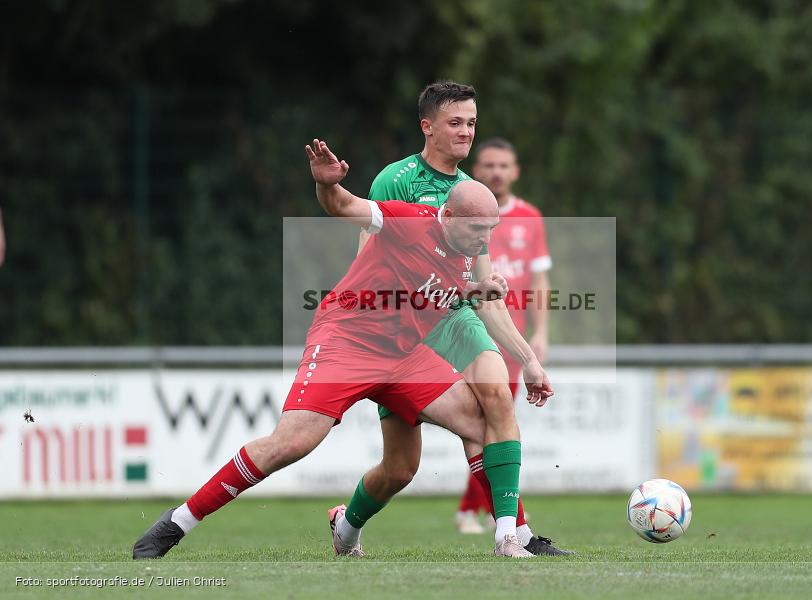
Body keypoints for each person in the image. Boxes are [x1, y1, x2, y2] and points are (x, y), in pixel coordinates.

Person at [132, 139, 537, 559]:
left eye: (491, 230)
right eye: (477, 229)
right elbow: (345, 207)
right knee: (291, 444)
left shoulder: (465, 250)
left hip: (402, 355)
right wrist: (328, 186)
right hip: (347, 340)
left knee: (436, 448)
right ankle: (177, 522)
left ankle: (500, 536)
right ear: (447, 215)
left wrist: (474, 290)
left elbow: (428, 286)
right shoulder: (409, 218)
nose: (484, 239)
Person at [336, 81, 571, 555]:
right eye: (456, 123)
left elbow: (482, 292)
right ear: (428, 127)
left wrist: (528, 359)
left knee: (496, 402)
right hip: (404, 329)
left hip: (456, 318)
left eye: (472, 124)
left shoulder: (473, 193)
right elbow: (369, 269)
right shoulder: (395, 181)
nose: (467, 133)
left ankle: (512, 535)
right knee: (400, 468)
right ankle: (347, 523)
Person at [455, 137, 553, 527]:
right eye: (489, 165)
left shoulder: (530, 217)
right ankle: (490, 515)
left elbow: (541, 279)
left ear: (516, 172)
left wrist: (540, 334)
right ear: (476, 171)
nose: (496, 172)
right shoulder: (460, 212)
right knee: (485, 422)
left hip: (509, 336)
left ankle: (474, 511)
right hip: (461, 327)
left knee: (494, 420)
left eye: (504, 166)